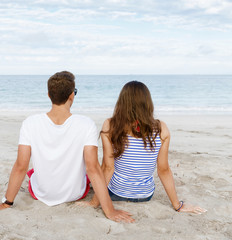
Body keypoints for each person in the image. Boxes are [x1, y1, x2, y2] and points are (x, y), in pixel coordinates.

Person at [0, 71, 134, 223]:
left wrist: (6, 203)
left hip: (41, 194)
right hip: (76, 194)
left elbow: (21, 166)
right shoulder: (86, 124)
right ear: (71, 95)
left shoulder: (30, 123)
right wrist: (110, 210)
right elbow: (92, 168)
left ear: (49, 95)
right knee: (88, 173)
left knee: (32, 172)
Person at [82, 81, 206, 214]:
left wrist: (94, 202)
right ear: (148, 103)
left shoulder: (111, 125)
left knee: (89, 176)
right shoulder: (161, 128)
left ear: (122, 103)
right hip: (145, 196)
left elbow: (108, 167)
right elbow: (163, 170)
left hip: (115, 193)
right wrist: (178, 205)